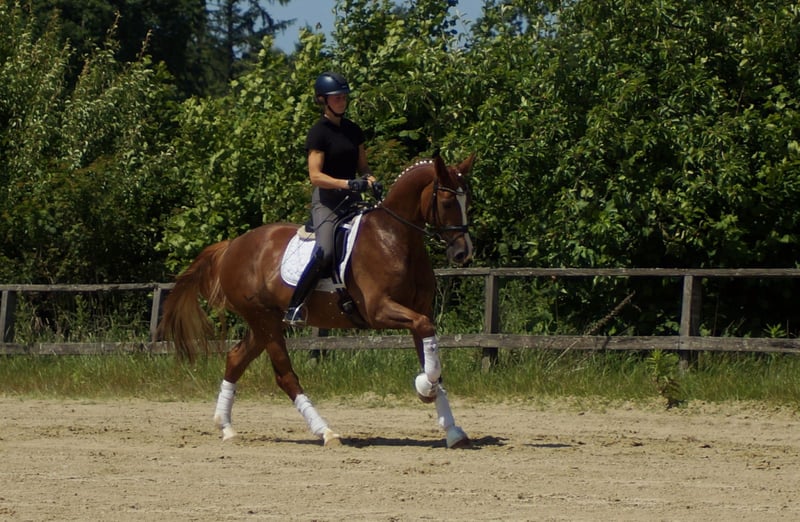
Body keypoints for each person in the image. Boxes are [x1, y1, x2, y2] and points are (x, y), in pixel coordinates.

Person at [284, 71, 377, 326]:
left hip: (353, 201)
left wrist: (371, 180)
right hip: (327, 202)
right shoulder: (318, 133)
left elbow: (363, 168)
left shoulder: (353, 130)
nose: (342, 101)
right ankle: (295, 305)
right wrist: (347, 183)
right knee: (325, 252)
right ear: (323, 100)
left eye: (344, 97)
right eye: (337, 97)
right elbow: (315, 176)